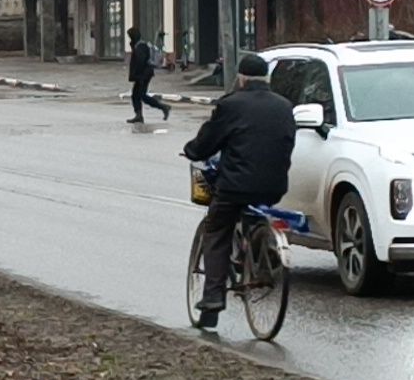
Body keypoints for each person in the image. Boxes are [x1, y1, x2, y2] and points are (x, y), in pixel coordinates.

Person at [181, 53, 296, 330]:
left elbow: (208, 141)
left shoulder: (231, 105)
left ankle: (212, 299)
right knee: (255, 214)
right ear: (266, 79)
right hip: (274, 186)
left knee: (217, 230)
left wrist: (191, 150)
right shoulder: (284, 106)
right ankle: (261, 252)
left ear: (242, 79)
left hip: (234, 187)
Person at [126, 27, 170, 124]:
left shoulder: (140, 47)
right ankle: (139, 115)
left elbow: (140, 62)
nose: (129, 38)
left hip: (143, 75)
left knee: (141, 95)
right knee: (136, 95)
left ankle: (163, 107)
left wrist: (139, 77)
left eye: (130, 36)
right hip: (143, 75)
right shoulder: (138, 45)